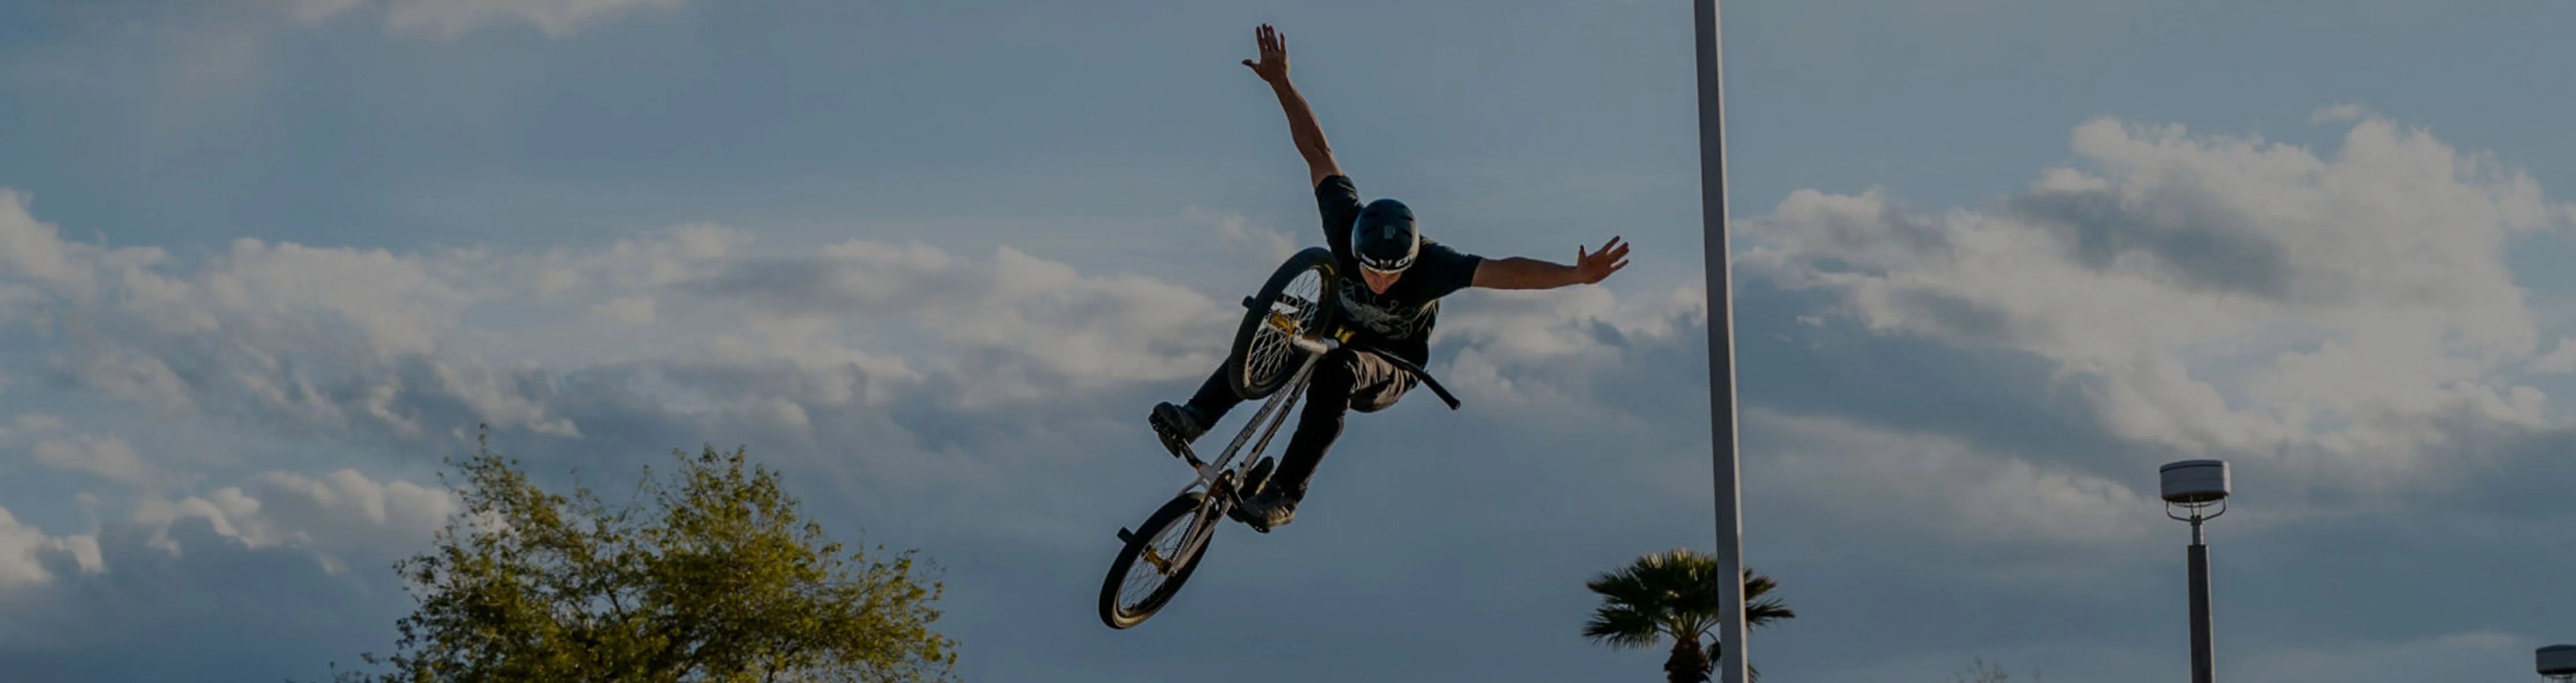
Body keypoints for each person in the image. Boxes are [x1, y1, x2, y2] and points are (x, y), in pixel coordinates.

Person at [1151, 24, 1632, 532]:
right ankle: (1195, 416)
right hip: (1326, 332)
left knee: (1338, 372)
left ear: (1410, 259)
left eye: (1390, 275)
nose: (1379, 283)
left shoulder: (1435, 265)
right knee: (1274, 334)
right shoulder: (1343, 221)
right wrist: (1280, 84)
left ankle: (1285, 494)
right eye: (1369, 272)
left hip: (1387, 365)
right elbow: (1317, 151)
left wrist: (1575, 275)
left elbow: (1508, 274)